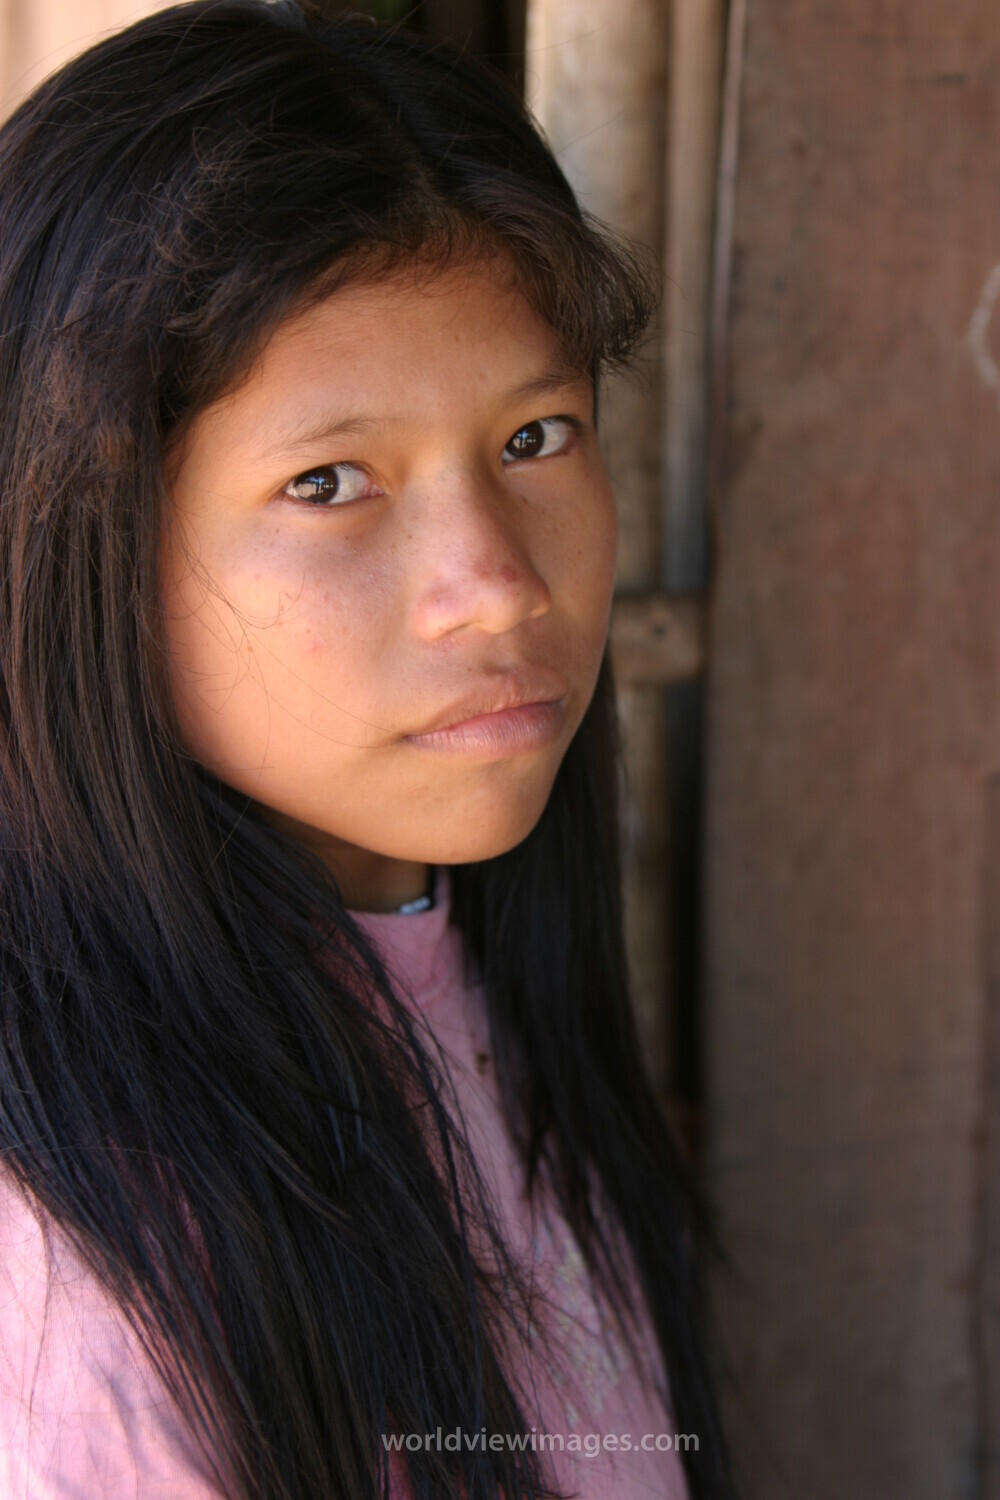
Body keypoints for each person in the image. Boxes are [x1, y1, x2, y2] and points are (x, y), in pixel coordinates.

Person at [0, 3, 738, 1496]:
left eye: (537, 438)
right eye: (330, 481)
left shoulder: (485, 979)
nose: (501, 587)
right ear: (82, 545)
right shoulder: (68, 1269)